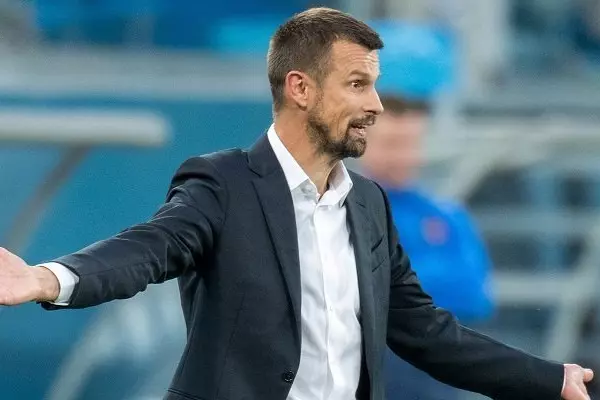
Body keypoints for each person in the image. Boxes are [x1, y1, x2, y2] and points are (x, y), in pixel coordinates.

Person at [0, 7, 593, 400]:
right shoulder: (224, 183)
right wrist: (48, 278)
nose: (377, 105)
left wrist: (546, 379)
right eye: (358, 84)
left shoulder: (369, 205)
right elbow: (149, 249)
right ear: (300, 89)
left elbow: (428, 332)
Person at [358, 94, 494, 400]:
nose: (403, 156)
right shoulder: (345, 211)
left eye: (411, 143)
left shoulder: (446, 215)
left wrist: (398, 286)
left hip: (436, 377)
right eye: (392, 144)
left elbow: (475, 294)